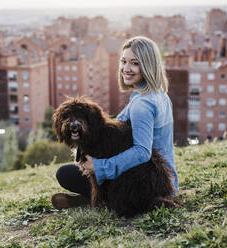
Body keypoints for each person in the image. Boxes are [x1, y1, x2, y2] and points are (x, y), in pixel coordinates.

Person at [51, 36, 178, 209]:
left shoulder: (142, 105)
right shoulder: (158, 95)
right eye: (123, 61)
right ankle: (93, 198)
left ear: (148, 65)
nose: (126, 68)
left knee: (65, 174)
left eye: (135, 63)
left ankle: (91, 201)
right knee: (73, 171)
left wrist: (99, 166)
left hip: (147, 185)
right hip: (165, 181)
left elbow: (142, 152)